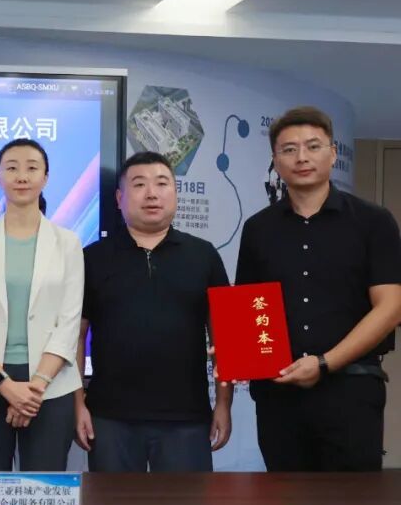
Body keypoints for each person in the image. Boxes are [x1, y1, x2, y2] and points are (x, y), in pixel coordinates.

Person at [236, 106, 401, 471]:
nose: (302, 157)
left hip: (351, 391)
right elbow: (250, 307)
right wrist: (238, 348)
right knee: (284, 501)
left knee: (351, 502)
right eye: (289, 149)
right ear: (275, 161)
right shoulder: (258, 228)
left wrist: (325, 363)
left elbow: (391, 308)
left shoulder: (374, 222)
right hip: (279, 395)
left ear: (333, 153)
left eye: (313, 146)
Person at [75, 151, 232, 472]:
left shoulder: (203, 256)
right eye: (139, 184)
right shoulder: (92, 258)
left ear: (175, 193)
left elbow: (225, 336)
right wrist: (77, 404)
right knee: (113, 504)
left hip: (186, 418)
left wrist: (224, 403)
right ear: (119, 198)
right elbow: (75, 336)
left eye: (162, 183)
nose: (151, 193)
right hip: (110, 417)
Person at [0, 138, 83, 471]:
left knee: (44, 487)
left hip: (51, 385)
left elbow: (69, 323)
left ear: (46, 177)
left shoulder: (68, 243)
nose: (22, 176)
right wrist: (6, 386)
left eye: (32, 168)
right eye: (11, 168)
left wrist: (34, 390)